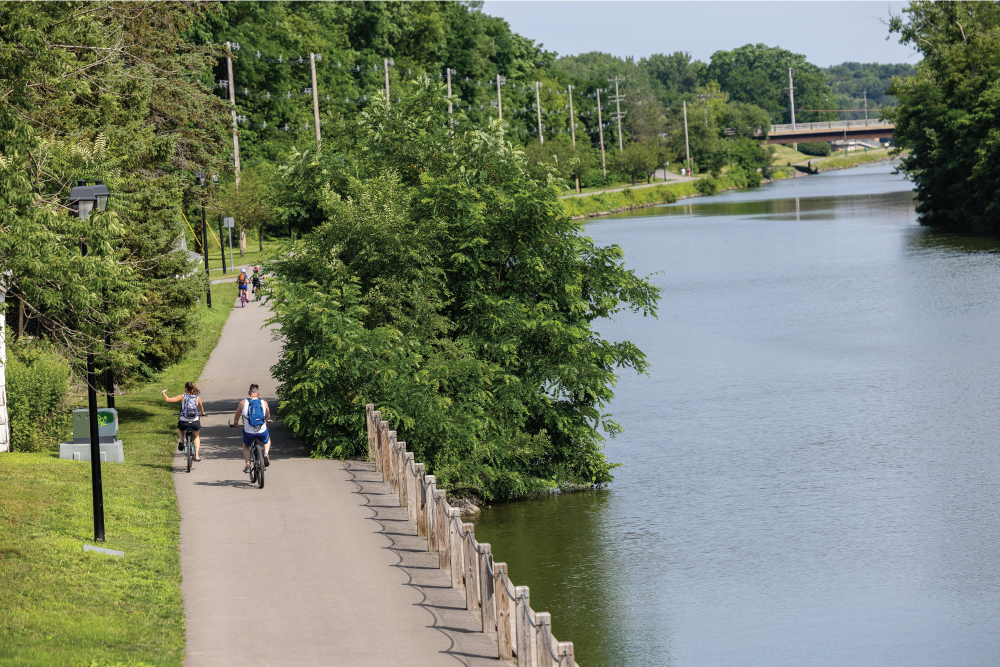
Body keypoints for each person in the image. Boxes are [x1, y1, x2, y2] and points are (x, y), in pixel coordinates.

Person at [231, 383, 272, 473]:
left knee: (246, 445)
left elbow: (237, 416)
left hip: (249, 431)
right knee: (267, 440)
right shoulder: (264, 402)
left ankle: (248, 465)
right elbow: (267, 415)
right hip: (261, 430)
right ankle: (265, 454)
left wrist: (235, 424)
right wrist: (267, 420)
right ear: (258, 393)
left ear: (249, 392)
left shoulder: (242, 403)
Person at [162, 382, 206, 461]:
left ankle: (182, 440)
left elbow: (168, 400)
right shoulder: (197, 397)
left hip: (184, 422)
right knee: (196, 436)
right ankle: (197, 456)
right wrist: (202, 413)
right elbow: (201, 408)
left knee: (180, 427)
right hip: (194, 422)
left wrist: (163, 393)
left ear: (186, 388)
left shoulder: (182, 396)